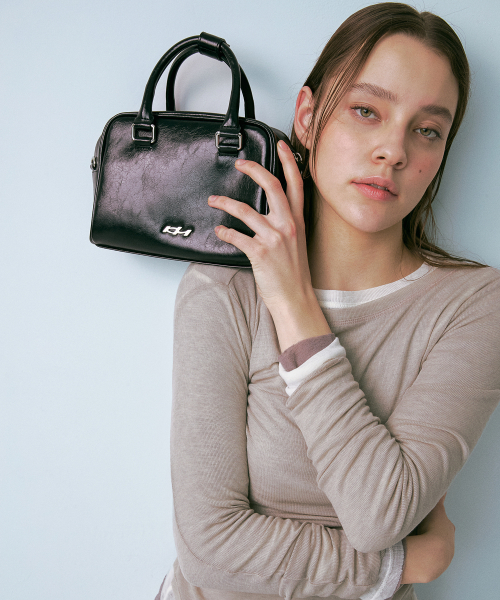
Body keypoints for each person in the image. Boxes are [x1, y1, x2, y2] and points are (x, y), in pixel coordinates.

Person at [155, 3, 500, 600]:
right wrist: (403, 564)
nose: (393, 150)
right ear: (308, 118)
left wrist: (295, 307)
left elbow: (378, 515)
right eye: (367, 111)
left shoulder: (473, 306)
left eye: (427, 130)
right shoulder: (223, 287)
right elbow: (210, 551)